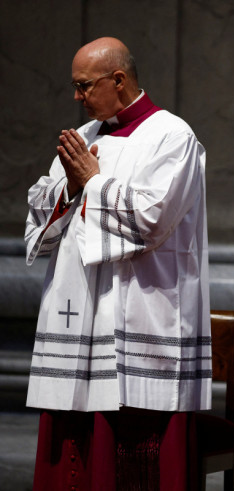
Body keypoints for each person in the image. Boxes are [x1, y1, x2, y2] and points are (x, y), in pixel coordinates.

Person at [25, 37, 210, 490]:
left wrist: (93, 182)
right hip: (77, 318)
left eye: (83, 85)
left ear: (119, 80)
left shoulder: (171, 136)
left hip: (142, 313)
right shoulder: (83, 139)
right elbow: (39, 211)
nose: (76, 96)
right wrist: (70, 187)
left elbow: (152, 221)